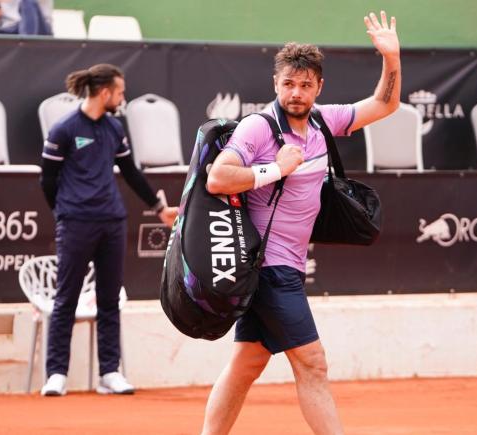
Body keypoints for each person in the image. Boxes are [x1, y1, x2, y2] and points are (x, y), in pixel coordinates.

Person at [202, 12, 401, 434]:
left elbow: (385, 104)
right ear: (276, 84)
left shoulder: (324, 123)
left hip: (283, 267)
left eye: (305, 85)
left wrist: (391, 59)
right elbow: (218, 178)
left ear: (318, 88)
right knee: (313, 364)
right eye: (289, 83)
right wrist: (274, 170)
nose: (296, 93)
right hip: (268, 268)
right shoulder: (258, 128)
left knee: (246, 364)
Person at [39, 63, 178, 396]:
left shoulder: (115, 128)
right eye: (119, 92)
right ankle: (56, 374)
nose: (122, 97)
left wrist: (159, 209)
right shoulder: (64, 129)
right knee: (66, 299)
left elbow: (130, 172)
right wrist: (64, 212)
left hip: (112, 222)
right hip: (75, 223)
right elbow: (47, 180)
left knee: (109, 299)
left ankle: (110, 373)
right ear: (105, 93)